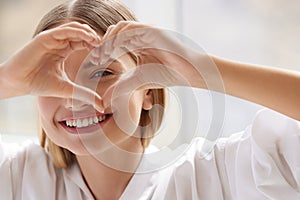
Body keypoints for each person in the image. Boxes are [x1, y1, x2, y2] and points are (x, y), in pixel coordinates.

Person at [0, 0, 299, 199]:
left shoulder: (213, 175)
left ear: (148, 90)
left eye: (103, 73)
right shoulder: (16, 176)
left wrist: (201, 70)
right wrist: (6, 81)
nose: (78, 98)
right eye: (57, 80)